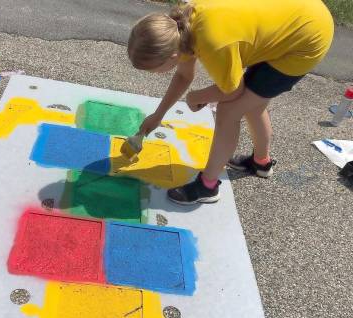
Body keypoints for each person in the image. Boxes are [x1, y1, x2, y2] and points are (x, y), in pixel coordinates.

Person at [128, 0, 334, 204]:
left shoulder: (213, 43)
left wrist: (197, 96)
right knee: (253, 104)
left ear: (172, 56)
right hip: (296, 19)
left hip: (307, 39)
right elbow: (183, 76)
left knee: (229, 111)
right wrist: (158, 115)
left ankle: (207, 187)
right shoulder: (181, 28)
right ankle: (261, 163)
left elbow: (233, 92)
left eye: (153, 70)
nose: (154, 74)